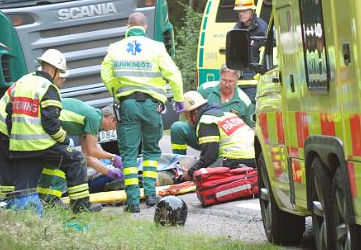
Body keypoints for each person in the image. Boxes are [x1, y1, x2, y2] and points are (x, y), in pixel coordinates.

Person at [101, 12, 185, 213]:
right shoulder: (156, 48)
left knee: (129, 154)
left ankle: (132, 202)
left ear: (127, 26)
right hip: (150, 106)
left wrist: (117, 90)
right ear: (145, 28)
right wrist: (179, 99)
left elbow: (106, 75)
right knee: (151, 151)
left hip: (128, 105)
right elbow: (173, 74)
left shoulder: (115, 48)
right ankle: (150, 195)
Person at [8, 49, 99, 213]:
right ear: (54, 69)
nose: (61, 79)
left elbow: (9, 114)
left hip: (19, 147)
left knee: (25, 187)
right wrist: (65, 140)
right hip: (40, 145)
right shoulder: (48, 88)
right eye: (61, 74)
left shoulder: (23, 81)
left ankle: (39, 205)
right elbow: (51, 124)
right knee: (76, 158)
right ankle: (81, 207)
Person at [37, 99, 122, 203]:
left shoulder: (91, 119)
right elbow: (93, 150)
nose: (114, 129)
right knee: (67, 159)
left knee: (57, 163)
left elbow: (87, 156)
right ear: (111, 118)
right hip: (44, 126)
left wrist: (108, 172)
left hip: (47, 127)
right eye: (116, 124)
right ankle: (53, 200)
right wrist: (113, 157)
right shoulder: (94, 118)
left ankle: (45, 200)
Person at [171, 64, 253, 155]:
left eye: (230, 81)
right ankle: (178, 160)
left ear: (237, 80)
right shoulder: (205, 89)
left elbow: (251, 130)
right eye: (224, 80)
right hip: (203, 136)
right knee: (177, 127)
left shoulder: (244, 101)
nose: (226, 84)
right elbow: (189, 111)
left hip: (227, 145)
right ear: (220, 76)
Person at [179, 90, 256, 182]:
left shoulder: (207, 121)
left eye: (187, 116)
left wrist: (189, 173)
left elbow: (209, 157)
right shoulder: (228, 115)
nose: (188, 121)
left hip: (234, 161)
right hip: (254, 160)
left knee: (198, 175)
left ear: (195, 112)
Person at [231, 0, 268, 100]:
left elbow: (269, 52)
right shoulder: (237, 28)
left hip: (254, 76)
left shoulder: (262, 28)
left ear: (252, 11)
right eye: (239, 11)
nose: (241, 14)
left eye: (244, 10)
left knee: (251, 105)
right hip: (239, 75)